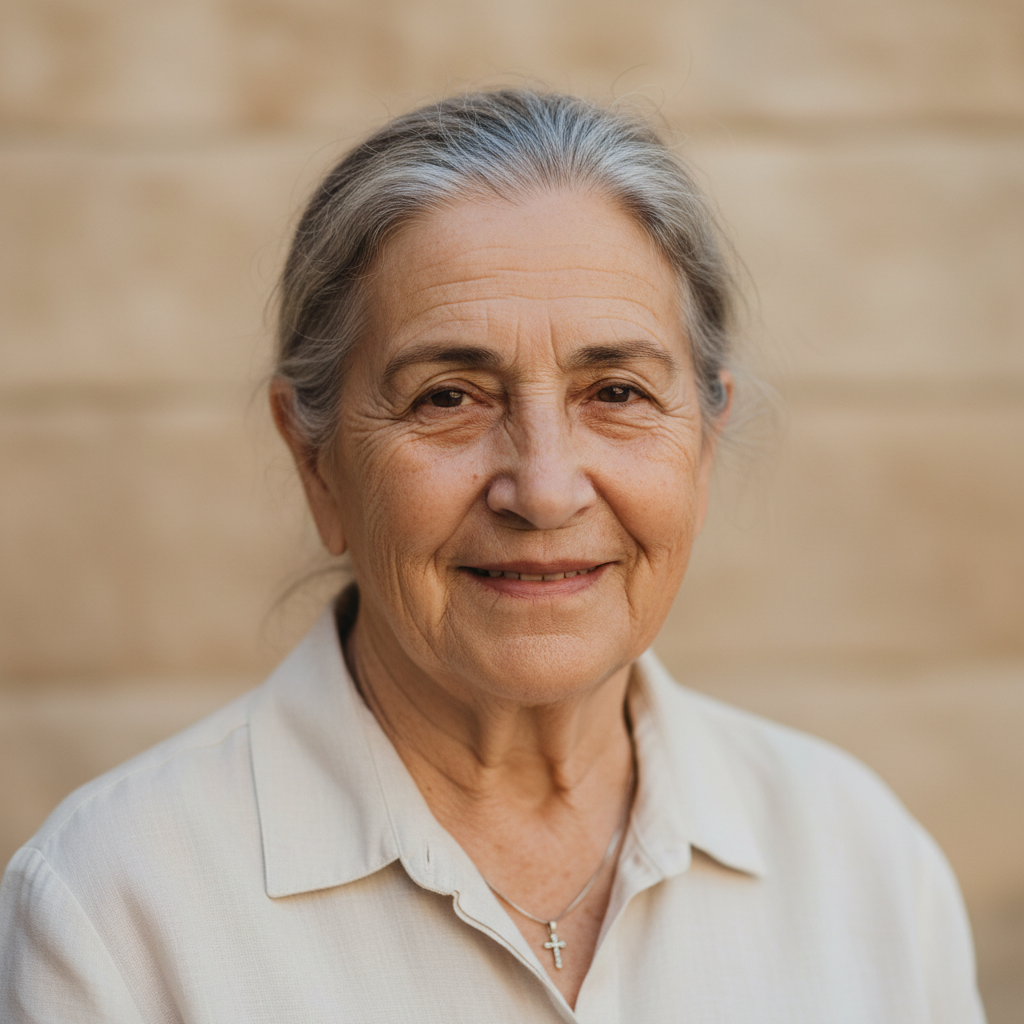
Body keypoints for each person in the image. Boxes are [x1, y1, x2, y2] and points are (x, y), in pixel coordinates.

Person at [0, 90, 986, 1023]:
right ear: (315, 460)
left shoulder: (861, 865)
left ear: (704, 441)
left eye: (616, 392)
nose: (545, 489)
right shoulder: (115, 907)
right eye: (448, 398)